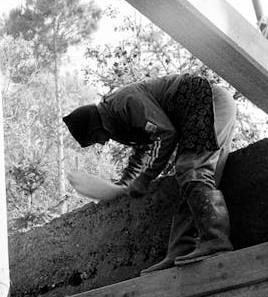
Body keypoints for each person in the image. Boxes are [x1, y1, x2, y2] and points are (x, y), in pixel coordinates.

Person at [63, 73, 237, 273]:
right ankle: (180, 251)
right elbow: (143, 151)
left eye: (96, 137)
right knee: (189, 181)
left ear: (96, 123)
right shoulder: (117, 120)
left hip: (208, 101)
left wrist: (144, 179)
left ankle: (215, 240)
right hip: (196, 109)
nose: (102, 142)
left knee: (192, 168)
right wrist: (125, 184)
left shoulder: (124, 102)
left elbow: (165, 134)